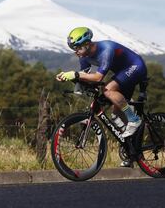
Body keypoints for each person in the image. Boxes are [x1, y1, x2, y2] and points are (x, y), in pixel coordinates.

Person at [56, 27, 148, 167]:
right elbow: (85, 77)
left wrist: (75, 74)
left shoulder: (106, 49)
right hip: (122, 73)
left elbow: (98, 77)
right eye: (74, 49)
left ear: (86, 44)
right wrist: (71, 80)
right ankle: (133, 149)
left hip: (136, 66)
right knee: (116, 115)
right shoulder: (85, 56)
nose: (76, 53)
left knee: (108, 90)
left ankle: (134, 120)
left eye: (77, 48)